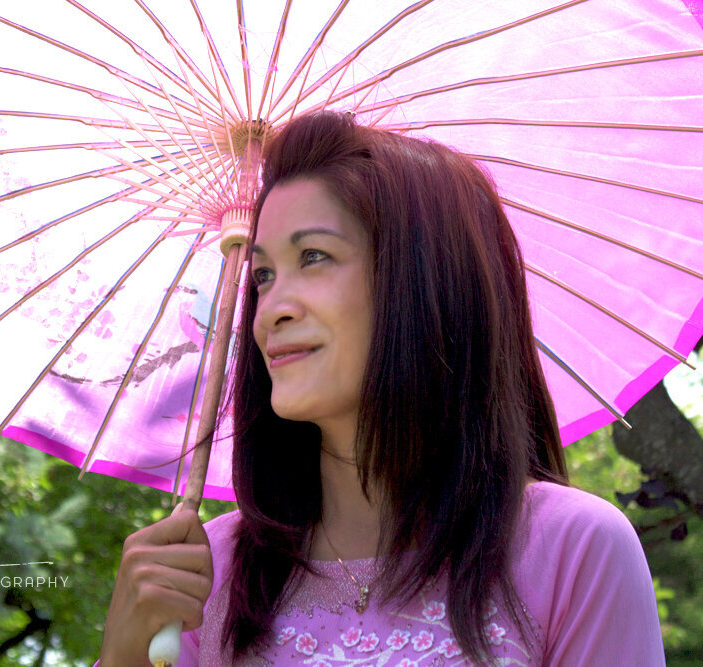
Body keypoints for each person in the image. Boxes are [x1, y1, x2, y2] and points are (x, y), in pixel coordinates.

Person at [97, 112, 665, 665]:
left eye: (313, 257)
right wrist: (123, 655)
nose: (270, 311)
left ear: (424, 281)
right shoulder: (204, 574)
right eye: (264, 274)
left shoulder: (570, 549)